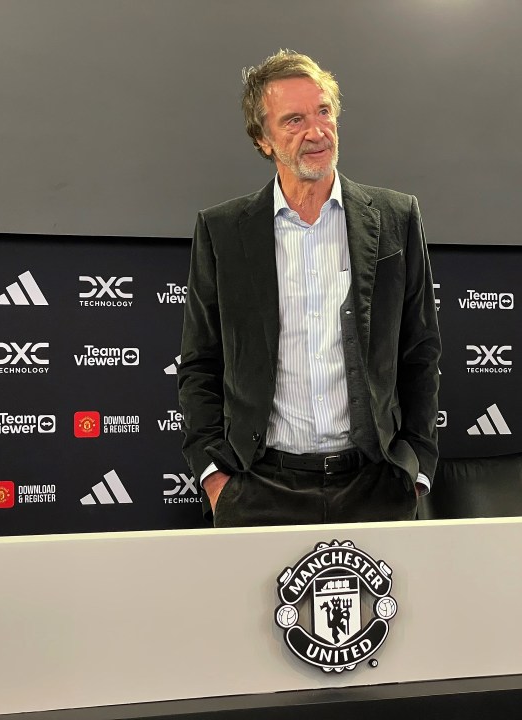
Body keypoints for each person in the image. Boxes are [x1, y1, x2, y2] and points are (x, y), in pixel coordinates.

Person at [178, 50, 441, 527]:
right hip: (258, 488)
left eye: (324, 112)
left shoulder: (395, 218)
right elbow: (200, 361)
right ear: (262, 140)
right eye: (294, 120)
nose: (316, 132)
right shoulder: (222, 231)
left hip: (376, 485)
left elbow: (420, 351)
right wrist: (215, 478)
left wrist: (416, 467)